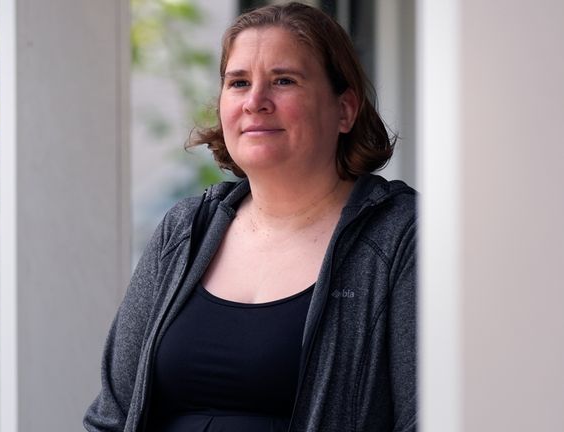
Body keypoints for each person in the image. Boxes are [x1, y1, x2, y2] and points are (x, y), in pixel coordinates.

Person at [84, 2, 416, 431]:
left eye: (284, 80)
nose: (255, 101)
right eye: (238, 83)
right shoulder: (185, 231)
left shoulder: (398, 236)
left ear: (345, 109)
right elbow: (111, 417)